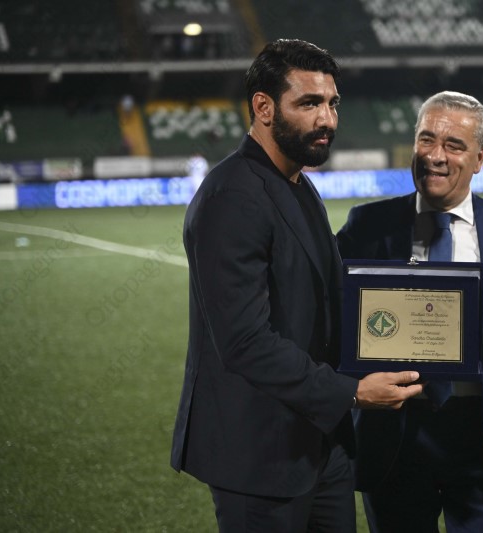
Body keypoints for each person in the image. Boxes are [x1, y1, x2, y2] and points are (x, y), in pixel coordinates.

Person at [170, 39, 423, 532]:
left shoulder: (297, 183)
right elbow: (244, 341)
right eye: (309, 103)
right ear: (263, 107)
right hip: (260, 455)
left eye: (332, 103)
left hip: (319, 445)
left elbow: (328, 297)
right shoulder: (232, 196)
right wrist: (352, 393)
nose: (327, 119)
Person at [336, 91, 483, 532]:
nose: (436, 156)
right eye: (426, 140)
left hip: (482, 437)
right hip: (394, 436)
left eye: (454, 145)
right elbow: (330, 323)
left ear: (480, 158)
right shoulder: (367, 226)